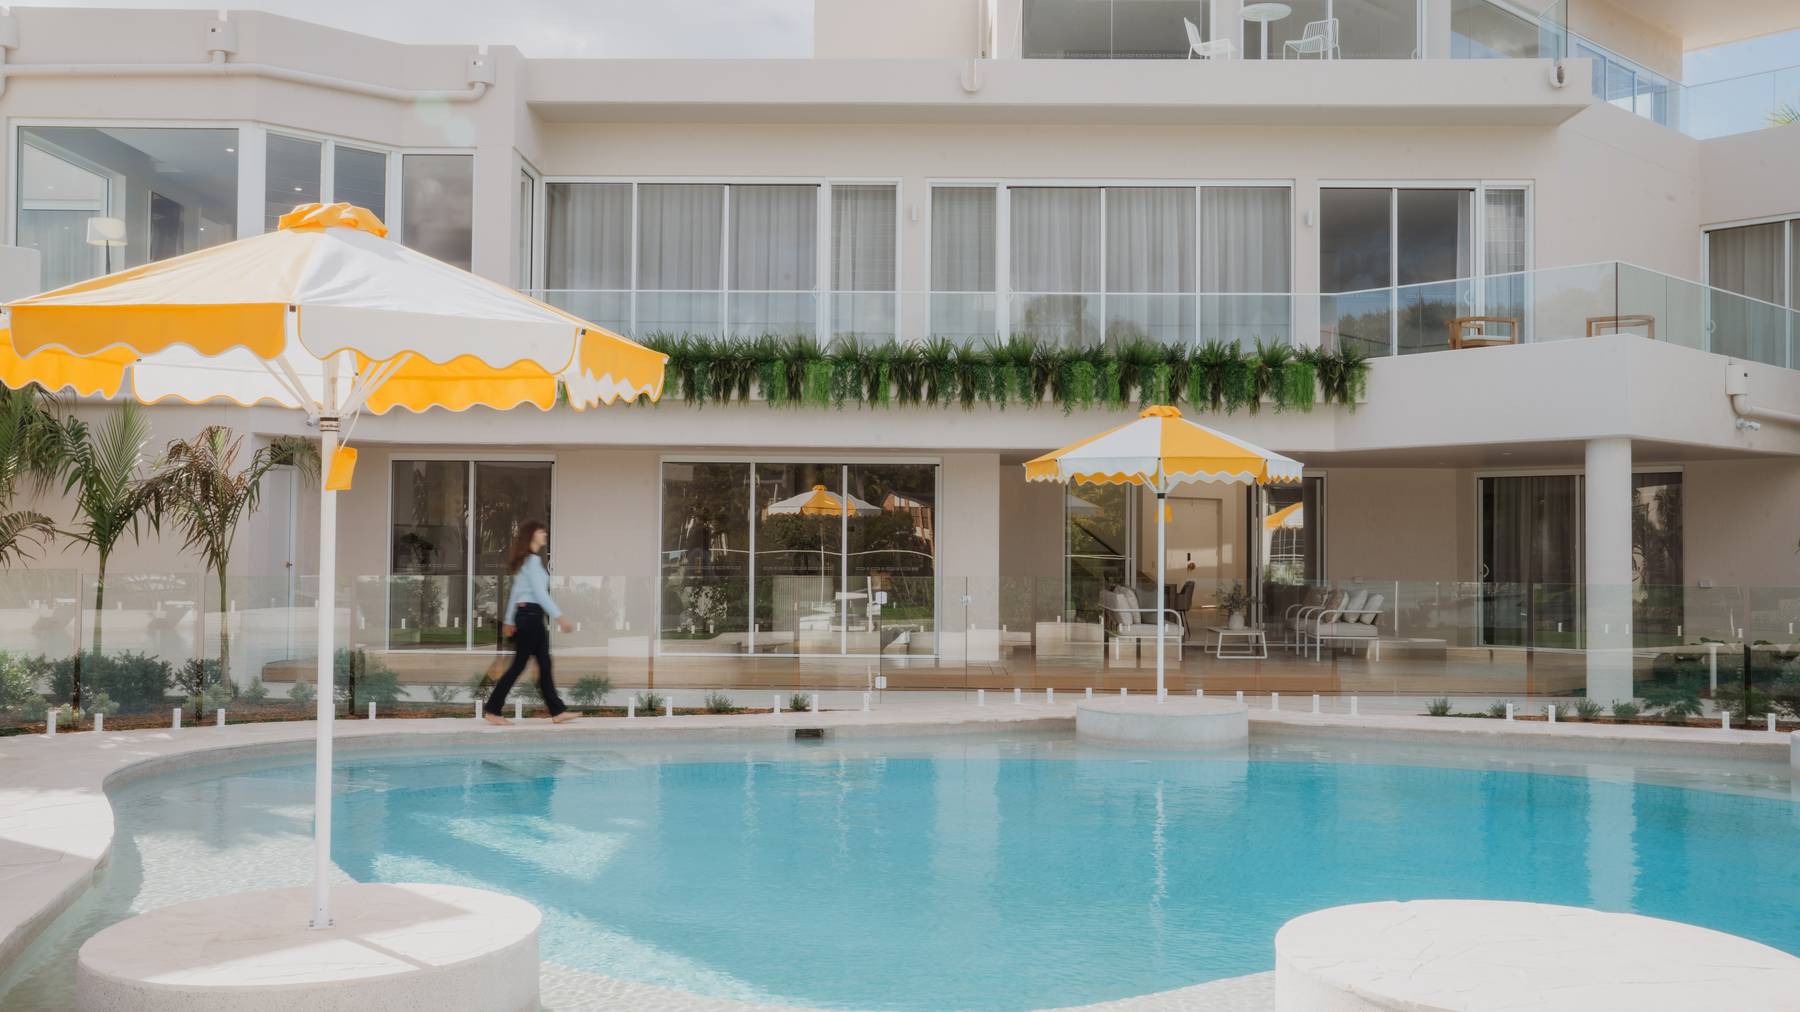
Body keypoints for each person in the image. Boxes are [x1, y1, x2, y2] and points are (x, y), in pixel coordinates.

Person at [484, 520, 576, 725]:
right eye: (541, 531)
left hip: (528, 616)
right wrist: (559, 616)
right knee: (519, 666)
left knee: (544, 663)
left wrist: (509, 619)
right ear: (532, 535)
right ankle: (492, 709)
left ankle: (557, 711)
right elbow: (540, 594)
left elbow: (516, 592)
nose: (545, 534)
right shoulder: (532, 562)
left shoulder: (529, 561)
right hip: (531, 617)